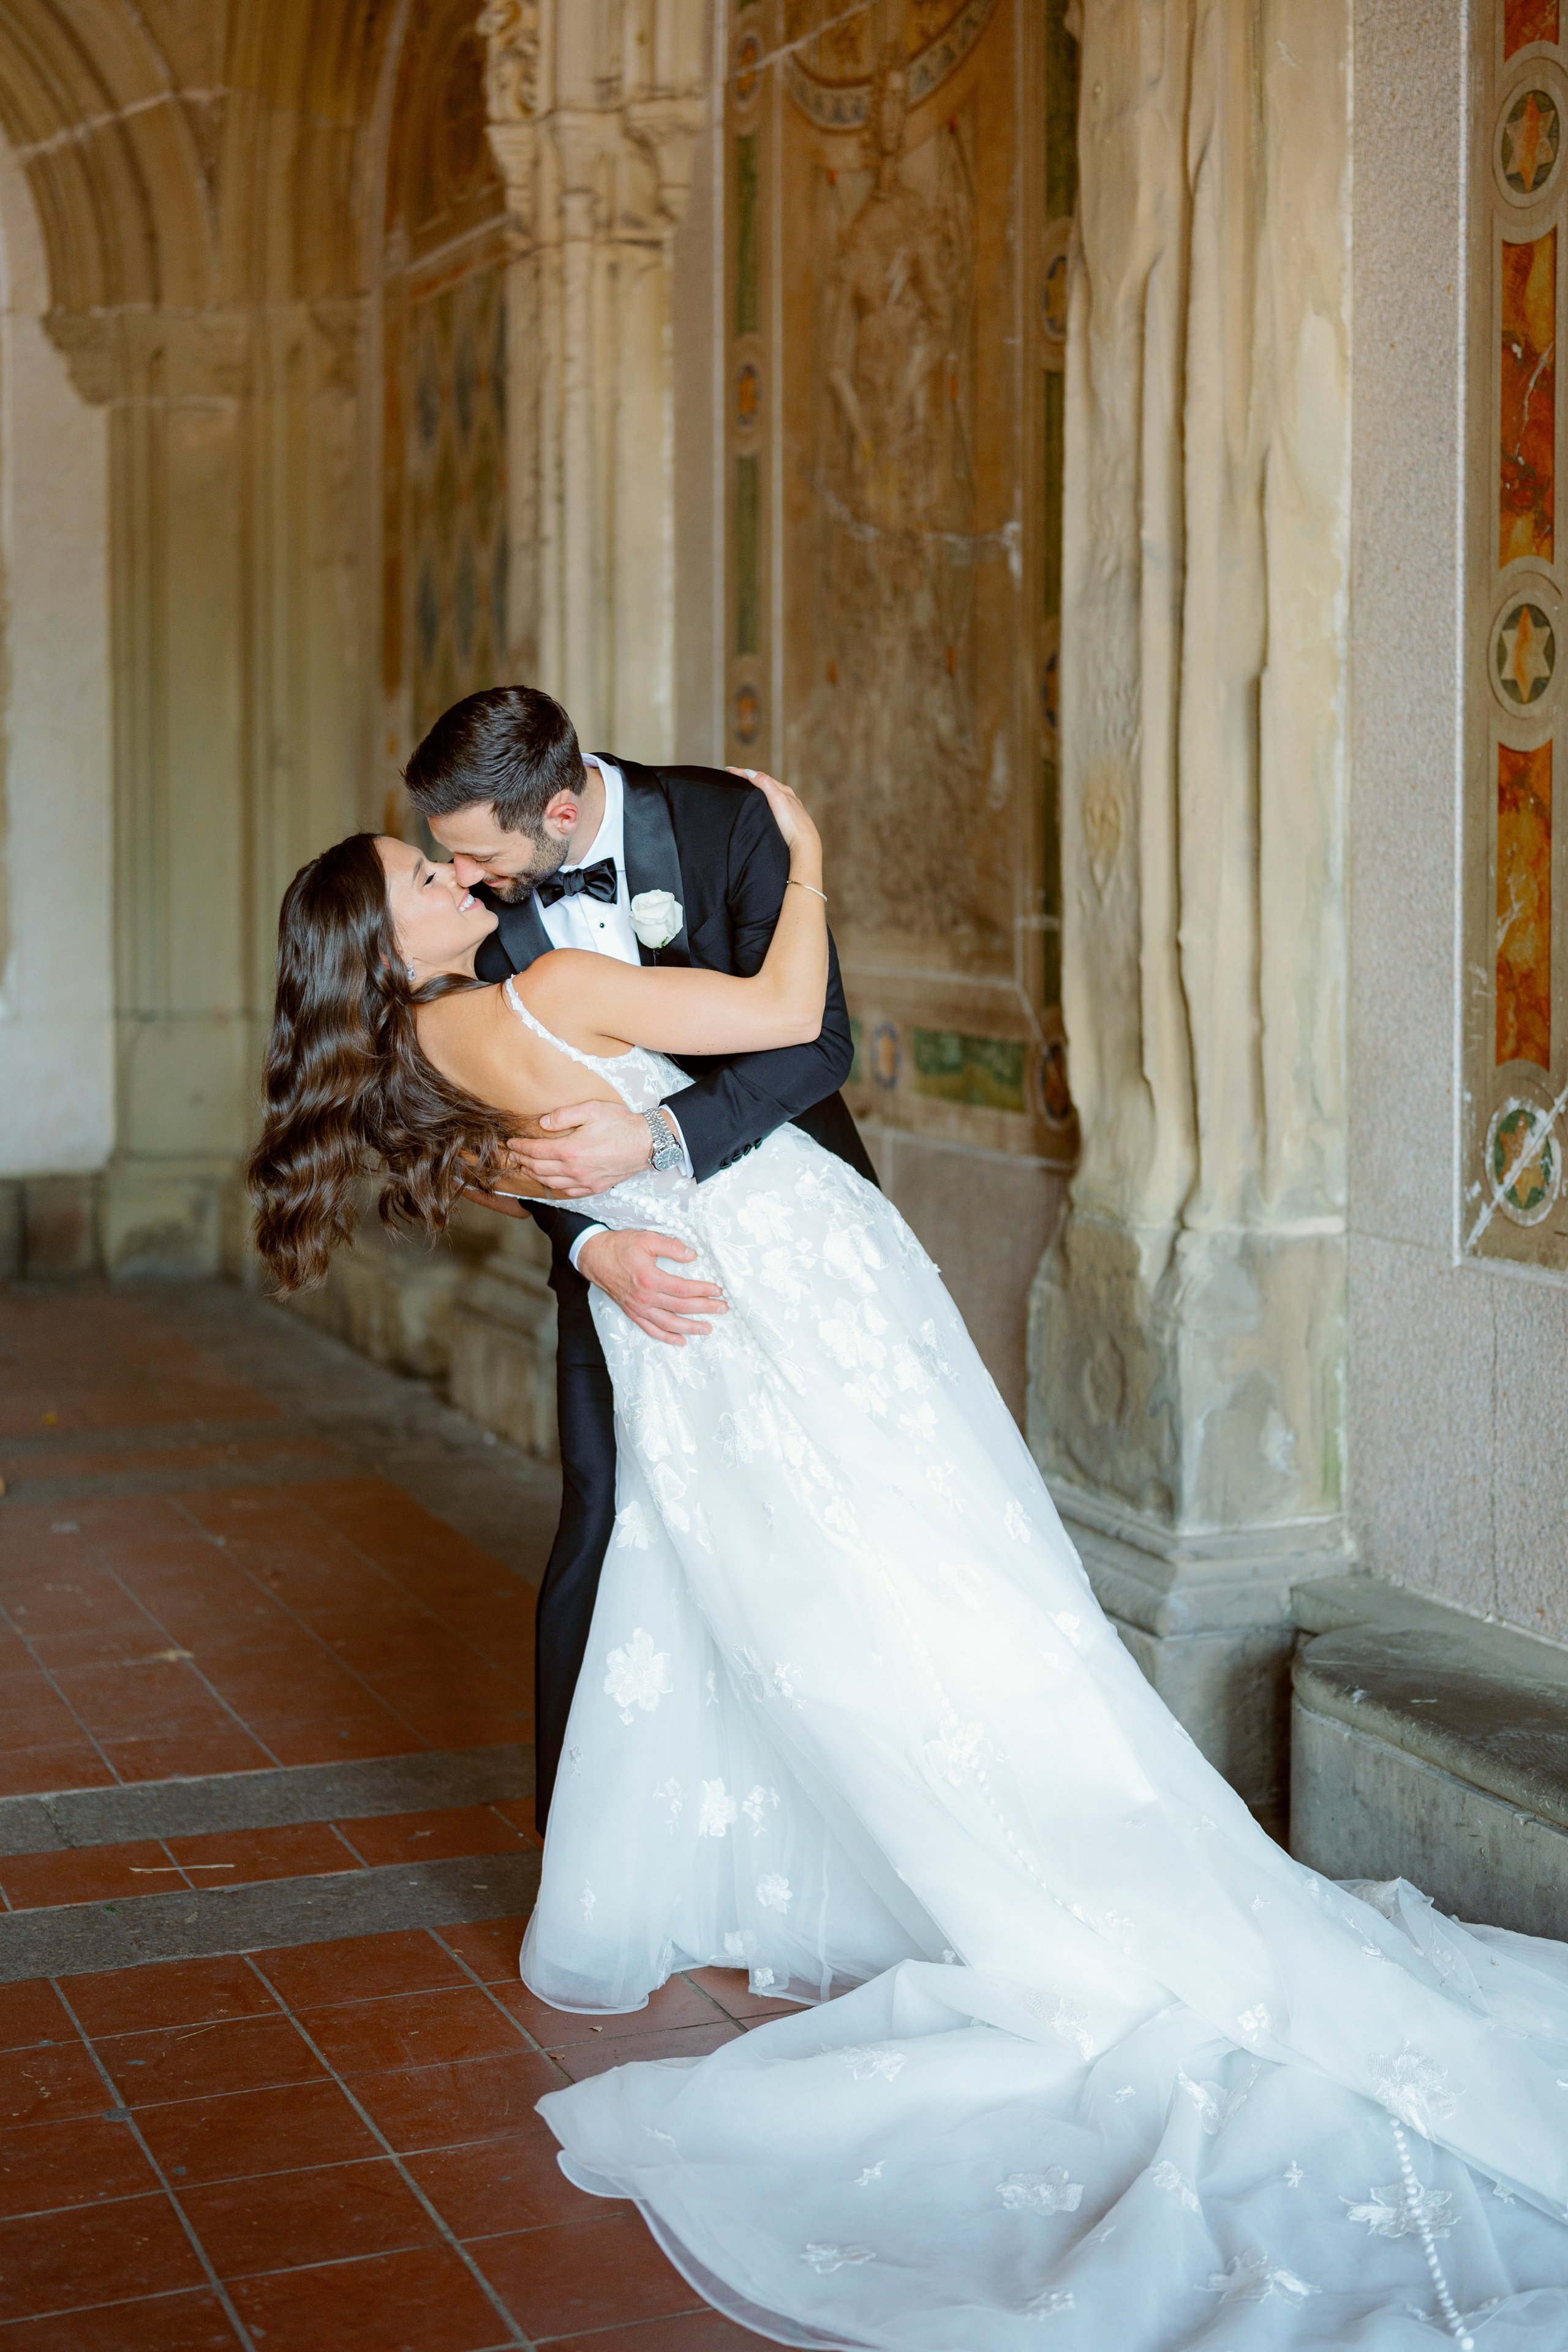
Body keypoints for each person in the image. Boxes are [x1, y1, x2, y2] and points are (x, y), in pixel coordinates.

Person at [248, 782, 1568, 2349]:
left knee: (788, 1606)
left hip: (689, 1330)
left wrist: (597, 1225)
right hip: (789, 1286)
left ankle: (856, 1856)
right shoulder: (555, 985)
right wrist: (806, 855)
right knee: (936, 1575)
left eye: (449, 854)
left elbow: (504, 1167)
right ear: (380, 938)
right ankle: (1032, 1844)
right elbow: (787, 1016)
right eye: (425, 875)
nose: (458, 876)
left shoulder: (405, 1066)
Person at [399, 688, 876, 1834]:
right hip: (614, 1267)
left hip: (783, 1236)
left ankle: (817, 1820)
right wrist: (592, 1243)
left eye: (478, 856)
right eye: (443, 859)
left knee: (811, 1524)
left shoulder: (724, 824)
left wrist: (661, 1138)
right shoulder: (474, 920)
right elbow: (507, 1133)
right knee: (606, 1522)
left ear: (560, 814)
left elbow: (818, 1042)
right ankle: (584, 1844)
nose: (463, 879)